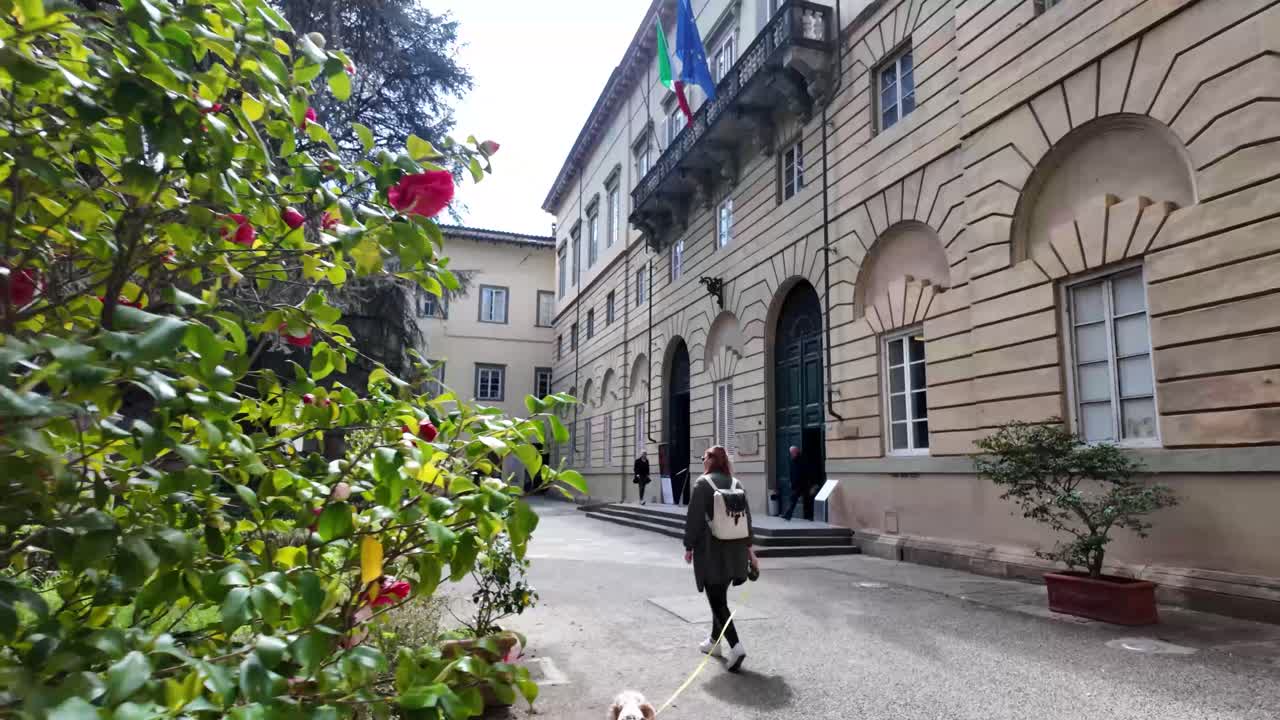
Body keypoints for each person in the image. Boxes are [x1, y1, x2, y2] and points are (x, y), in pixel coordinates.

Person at [683, 445, 757, 672]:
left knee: (717, 601)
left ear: (710, 460)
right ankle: (714, 642)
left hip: (711, 551)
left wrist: (689, 546)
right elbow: (747, 520)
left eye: (704, 457)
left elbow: (694, 518)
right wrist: (750, 550)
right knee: (719, 595)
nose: (703, 460)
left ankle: (736, 647)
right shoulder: (736, 484)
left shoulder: (702, 484)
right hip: (735, 552)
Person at [781, 445, 814, 521]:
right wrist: (791, 482)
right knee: (793, 500)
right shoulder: (793, 460)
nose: (791, 454)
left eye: (792, 452)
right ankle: (788, 515)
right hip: (796, 484)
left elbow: (807, 471)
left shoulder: (803, 459)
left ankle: (809, 516)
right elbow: (791, 472)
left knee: (807, 500)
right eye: (791, 452)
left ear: (796, 451)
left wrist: (810, 482)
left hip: (803, 483)